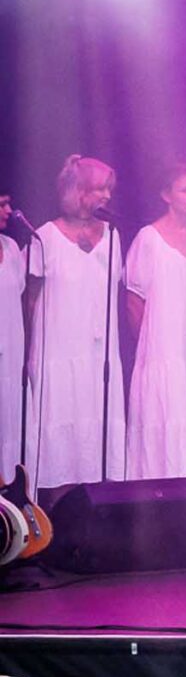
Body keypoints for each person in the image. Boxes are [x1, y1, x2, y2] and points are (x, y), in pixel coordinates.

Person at [26, 154, 126, 490]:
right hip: (58, 349)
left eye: (108, 190)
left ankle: (97, 505)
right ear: (78, 191)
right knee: (61, 420)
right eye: (100, 189)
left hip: (99, 355)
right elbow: (30, 298)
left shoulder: (112, 235)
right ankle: (57, 505)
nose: (107, 197)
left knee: (96, 423)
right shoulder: (45, 237)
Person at [124, 164, 186, 481]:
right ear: (167, 195)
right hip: (163, 348)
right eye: (185, 189)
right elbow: (134, 298)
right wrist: (150, 346)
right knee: (167, 408)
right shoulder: (149, 238)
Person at [0, 188, 26, 486]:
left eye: (9, 203)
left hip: (11, 356)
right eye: (2, 205)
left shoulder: (11, 249)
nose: (8, 211)